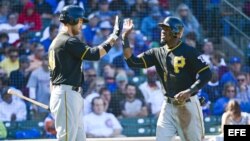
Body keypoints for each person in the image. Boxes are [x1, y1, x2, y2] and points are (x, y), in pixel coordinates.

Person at [122, 16, 212, 141]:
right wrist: (125, 37)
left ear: (176, 33)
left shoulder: (189, 51)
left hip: (187, 104)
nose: (163, 32)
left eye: (167, 29)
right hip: (168, 105)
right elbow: (132, 62)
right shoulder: (156, 52)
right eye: (162, 28)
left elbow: (207, 74)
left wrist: (189, 91)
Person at [48, 5, 122, 141]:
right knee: (67, 139)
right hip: (66, 94)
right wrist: (113, 37)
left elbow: (52, 77)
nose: (82, 25)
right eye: (80, 21)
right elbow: (94, 54)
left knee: (79, 138)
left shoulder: (58, 41)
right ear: (71, 19)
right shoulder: (68, 40)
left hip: (68, 95)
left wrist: (54, 98)